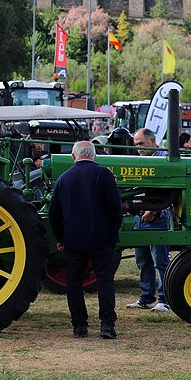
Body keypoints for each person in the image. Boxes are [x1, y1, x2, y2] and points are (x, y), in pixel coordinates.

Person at [49, 140, 123, 339]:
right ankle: (107, 325)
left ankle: (79, 326)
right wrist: (112, 231)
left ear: (73, 156)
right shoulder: (103, 174)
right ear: (94, 155)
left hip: (73, 240)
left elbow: (54, 213)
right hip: (101, 239)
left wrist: (60, 237)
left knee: (74, 283)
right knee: (105, 281)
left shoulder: (63, 179)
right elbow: (116, 208)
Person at [124, 128, 171, 313]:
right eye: (136, 145)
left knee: (160, 260)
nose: (138, 148)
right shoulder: (141, 160)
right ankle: (147, 298)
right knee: (142, 260)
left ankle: (165, 299)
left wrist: (154, 211)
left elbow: (170, 191)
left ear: (153, 142)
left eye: (141, 144)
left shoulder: (164, 160)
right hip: (140, 216)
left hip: (157, 217)